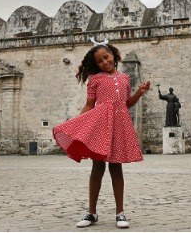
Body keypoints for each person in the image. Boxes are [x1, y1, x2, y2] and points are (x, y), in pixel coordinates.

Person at [53, 40, 150, 229]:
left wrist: (140, 92)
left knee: (116, 169)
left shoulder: (125, 79)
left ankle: (120, 213)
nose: (104, 62)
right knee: (97, 169)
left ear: (113, 55)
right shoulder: (95, 80)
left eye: (106, 57)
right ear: (95, 64)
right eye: (99, 61)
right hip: (100, 125)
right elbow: (90, 105)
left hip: (119, 125)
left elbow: (126, 103)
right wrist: (80, 127)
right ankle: (91, 212)